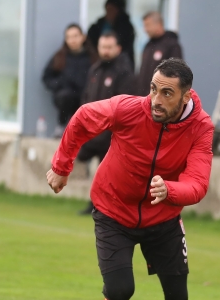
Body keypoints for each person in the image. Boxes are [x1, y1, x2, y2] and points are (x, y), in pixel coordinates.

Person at [46, 58, 214, 300]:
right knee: (121, 290)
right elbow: (82, 118)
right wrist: (61, 166)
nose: (156, 100)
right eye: (153, 89)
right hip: (113, 210)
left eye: (167, 93)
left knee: (178, 296)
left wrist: (171, 190)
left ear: (186, 96)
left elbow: (198, 182)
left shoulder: (201, 127)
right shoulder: (128, 108)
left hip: (163, 218)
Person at [77, 31, 136, 215]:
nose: (106, 51)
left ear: (118, 48)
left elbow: (125, 107)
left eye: (109, 47)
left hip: (112, 133)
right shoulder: (95, 69)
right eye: (103, 47)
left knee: (109, 173)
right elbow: (86, 98)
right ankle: (95, 204)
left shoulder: (124, 72)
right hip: (93, 131)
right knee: (97, 171)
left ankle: (107, 207)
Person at [42, 24, 98, 136]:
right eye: (69, 37)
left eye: (75, 36)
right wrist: (59, 84)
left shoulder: (93, 57)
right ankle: (61, 127)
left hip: (86, 97)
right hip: (65, 97)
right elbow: (46, 77)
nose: (73, 40)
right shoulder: (59, 56)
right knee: (66, 96)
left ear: (83, 37)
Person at [137, 11, 183, 96]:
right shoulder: (148, 46)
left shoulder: (172, 45)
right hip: (144, 98)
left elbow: (176, 74)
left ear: (158, 25)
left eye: (147, 25)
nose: (145, 30)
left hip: (160, 98)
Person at [87, 0, 136, 68]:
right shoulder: (99, 25)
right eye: (107, 9)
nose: (109, 12)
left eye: (112, 9)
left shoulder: (125, 27)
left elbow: (127, 49)